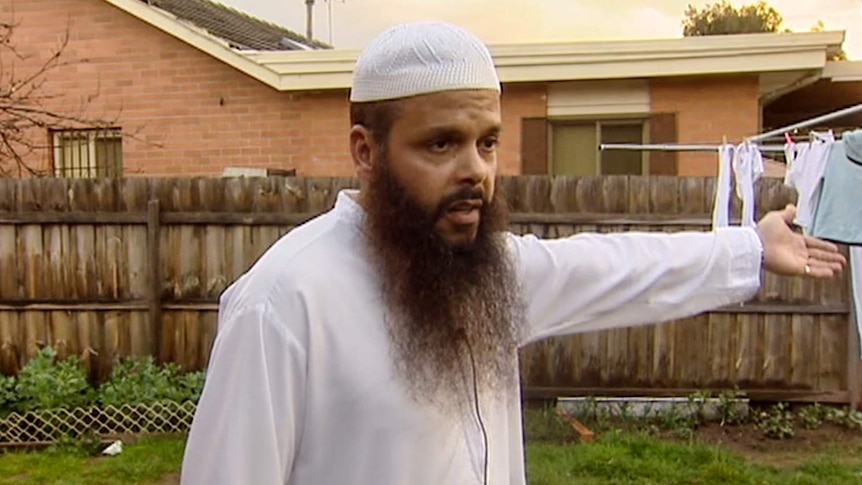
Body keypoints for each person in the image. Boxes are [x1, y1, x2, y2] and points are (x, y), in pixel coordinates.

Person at [180, 21, 845, 485]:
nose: (476, 171)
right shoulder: (284, 302)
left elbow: (618, 269)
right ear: (365, 150)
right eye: (441, 144)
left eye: (488, 143)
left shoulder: (488, 274)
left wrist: (751, 247)